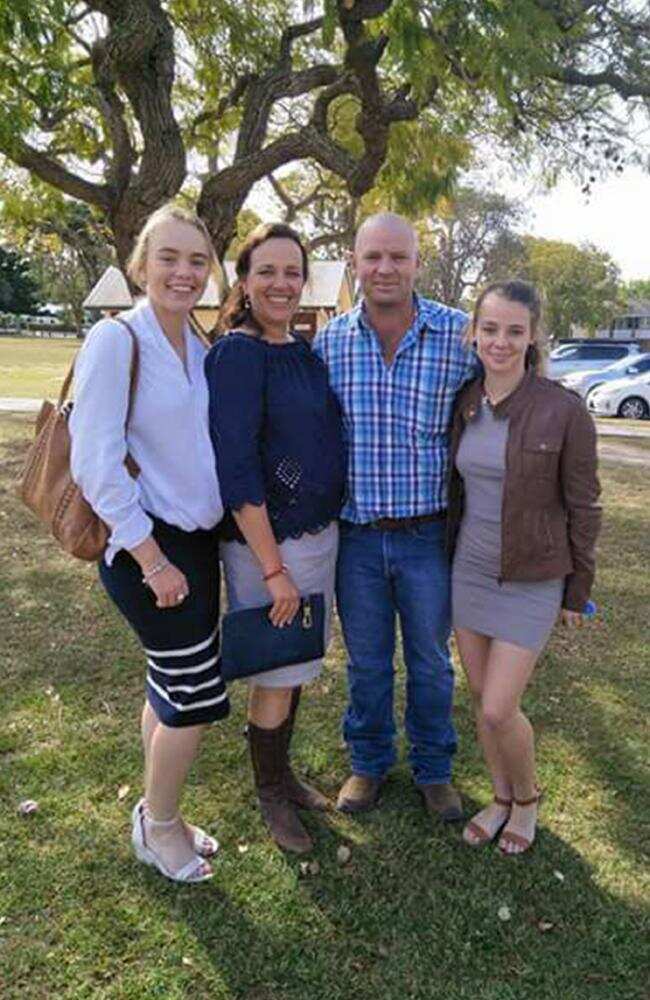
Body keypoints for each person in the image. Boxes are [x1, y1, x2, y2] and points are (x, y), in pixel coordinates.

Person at [70, 204, 228, 883]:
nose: (183, 272)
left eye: (197, 261)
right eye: (169, 258)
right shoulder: (116, 340)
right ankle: (159, 828)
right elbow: (95, 463)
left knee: (170, 684)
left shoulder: (199, 343)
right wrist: (152, 558)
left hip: (197, 544)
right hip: (147, 548)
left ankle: (160, 813)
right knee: (194, 695)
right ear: (141, 265)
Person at [313, 212, 476, 820]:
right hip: (356, 537)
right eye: (372, 256)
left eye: (398, 257)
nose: (385, 268)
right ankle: (369, 762)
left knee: (431, 663)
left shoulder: (459, 336)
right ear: (354, 262)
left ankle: (434, 769)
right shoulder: (330, 343)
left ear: (417, 263)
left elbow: (515, 387)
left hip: (428, 536)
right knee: (367, 663)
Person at [205, 223, 345, 854]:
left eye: (293, 272)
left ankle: (282, 774)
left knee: (295, 663)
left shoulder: (302, 350)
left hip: (316, 537)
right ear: (243, 280)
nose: (281, 283)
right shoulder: (237, 355)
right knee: (276, 666)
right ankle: (268, 791)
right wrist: (272, 569)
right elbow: (236, 469)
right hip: (269, 544)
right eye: (267, 271)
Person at [448, 279, 601, 854]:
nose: (500, 342)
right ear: (474, 332)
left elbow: (585, 506)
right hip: (469, 571)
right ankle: (500, 796)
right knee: (480, 700)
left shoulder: (563, 410)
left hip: (533, 576)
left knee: (499, 706)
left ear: (533, 336)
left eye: (514, 331)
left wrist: (577, 591)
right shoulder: (466, 401)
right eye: (490, 328)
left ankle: (528, 799)